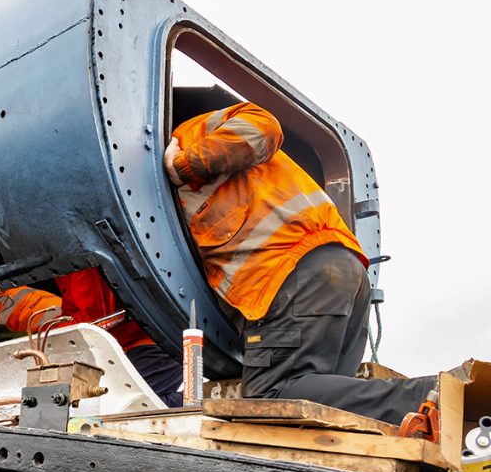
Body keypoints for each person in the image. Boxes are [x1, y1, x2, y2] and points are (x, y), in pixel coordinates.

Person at [163, 102, 434, 423]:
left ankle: (430, 398)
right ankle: (426, 415)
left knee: (271, 396)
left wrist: (185, 165)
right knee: (323, 417)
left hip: (295, 272)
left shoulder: (189, 134)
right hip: (339, 273)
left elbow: (263, 124)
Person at [0, 269, 183, 407]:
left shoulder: (75, 262)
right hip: (129, 340)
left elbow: (94, 314)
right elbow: (79, 313)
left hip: (145, 341)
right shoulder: (64, 268)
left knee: (122, 408)